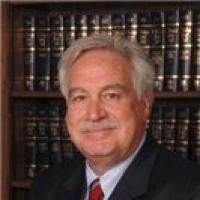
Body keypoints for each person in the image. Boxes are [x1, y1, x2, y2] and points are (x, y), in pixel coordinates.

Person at [30, 35, 200, 200]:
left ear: (145, 104)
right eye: (80, 97)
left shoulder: (191, 190)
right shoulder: (46, 185)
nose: (94, 114)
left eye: (111, 95)